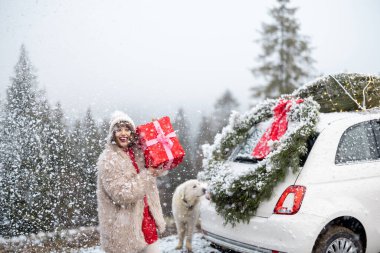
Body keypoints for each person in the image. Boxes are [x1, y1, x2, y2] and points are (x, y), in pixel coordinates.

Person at [97, 111, 166, 253]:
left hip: (147, 225)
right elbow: (122, 195)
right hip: (124, 234)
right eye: (119, 129)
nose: (123, 133)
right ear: (112, 134)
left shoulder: (138, 151)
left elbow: (160, 167)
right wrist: (149, 173)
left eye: (127, 129)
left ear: (132, 133)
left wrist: (158, 136)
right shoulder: (108, 159)